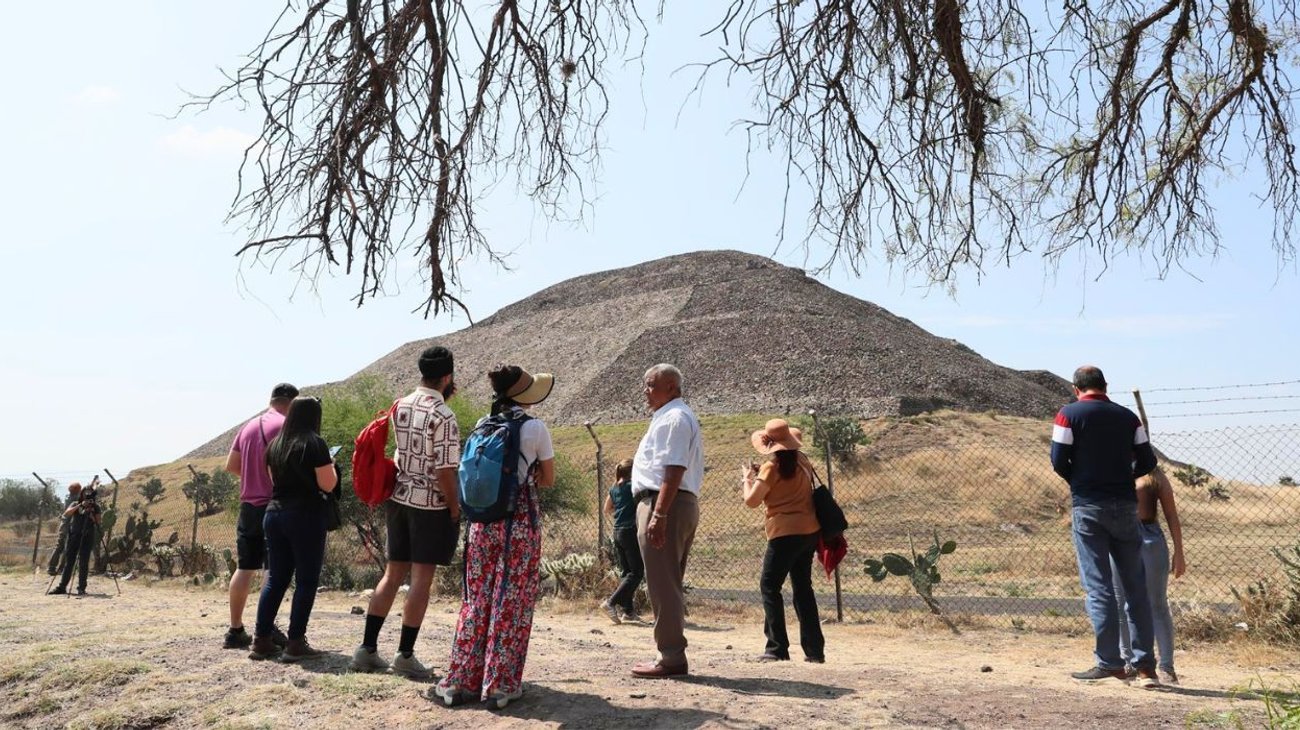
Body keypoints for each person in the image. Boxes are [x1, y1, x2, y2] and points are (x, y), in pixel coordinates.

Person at [435, 364, 555, 710]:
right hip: (517, 524)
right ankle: (499, 684)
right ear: (522, 394)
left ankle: (460, 680)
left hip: (481, 524)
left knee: (476, 599)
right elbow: (547, 479)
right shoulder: (534, 428)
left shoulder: (482, 425)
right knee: (511, 600)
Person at [352, 346, 461, 678]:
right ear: (447, 376)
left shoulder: (400, 404)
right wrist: (454, 506)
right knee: (421, 580)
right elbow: (444, 470)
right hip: (429, 504)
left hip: (398, 498)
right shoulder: (443, 415)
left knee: (392, 573)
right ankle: (405, 654)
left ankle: (367, 648)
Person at [1050, 365, 1160, 688]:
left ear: (1075, 388)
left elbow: (1058, 459)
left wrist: (1080, 481)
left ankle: (1110, 662)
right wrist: (1125, 476)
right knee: (1135, 586)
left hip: (1088, 507)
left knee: (1098, 586)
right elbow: (1149, 462)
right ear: (1105, 386)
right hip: (1126, 506)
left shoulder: (1068, 415)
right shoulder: (1128, 418)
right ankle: (1145, 668)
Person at [249, 395, 338, 661]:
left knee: (276, 578)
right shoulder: (315, 443)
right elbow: (327, 484)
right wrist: (332, 465)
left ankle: (261, 639)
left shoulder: (275, 445)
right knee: (306, 580)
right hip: (306, 516)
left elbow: (272, 479)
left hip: (274, 514)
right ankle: (296, 642)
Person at [629, 364, 704, 679]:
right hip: (671, 503)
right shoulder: (671, 415)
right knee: (666, 581)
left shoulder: (674, 418)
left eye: (651, 385)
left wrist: (658, 513)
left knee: (663, 584)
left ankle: (671, 656)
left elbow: (673, 469)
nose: (645, 390)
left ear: (672, 386)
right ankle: (670, 652)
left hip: (665, 503)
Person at [741, 419, 825, 663]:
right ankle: (814, 651)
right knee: (803, 589)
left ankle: (777, 648)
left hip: (783, 533)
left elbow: (751, 501)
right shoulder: (803, 461)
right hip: (810, 530)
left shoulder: (771, 468)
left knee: (769, 586)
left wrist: (747, 479)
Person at [222, 382, 298, 650]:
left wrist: (253, 478)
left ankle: (235, 629)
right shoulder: (285, 426)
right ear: (291, 402)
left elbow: (231, 465)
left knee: (244, 568)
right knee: (273, 569)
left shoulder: (248, 426)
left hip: (248, 506)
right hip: (273, 505)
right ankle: (265, 628)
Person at [1113, 466, 1186, 684]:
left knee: (1156, 603)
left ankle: (1166, 667)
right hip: (1121, 536)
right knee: (1120, 602)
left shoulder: (1154, 474)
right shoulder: (1112, 464)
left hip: (1150, 538)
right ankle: (1128, 663)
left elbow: (1171, 515)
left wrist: (1179, 553)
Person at [602, 458, 643, 624]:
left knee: (626, 573)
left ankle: (628, 611)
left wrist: (620, 510)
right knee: (637, 572)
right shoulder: (633, 487)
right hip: (630, 531)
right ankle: (610, 602)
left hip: (617, 531)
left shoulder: (614, 488)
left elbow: (607, 509)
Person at [49, 480, 101, 595]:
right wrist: (80, 506)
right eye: (85, 494)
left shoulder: (96, 507)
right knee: (69, 562)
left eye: (89, 494)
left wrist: (91, 512)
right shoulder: (75, 504)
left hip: (87, 537)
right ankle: (62, 587)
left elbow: (98, 521)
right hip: (74, 536)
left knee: (83, 563)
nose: (87, 496)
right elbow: (67, 513)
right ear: (81, 494)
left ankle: (81, 588)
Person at [46, 482, 83, 576]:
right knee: (68, 548)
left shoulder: (68, 498)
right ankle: (62, 569)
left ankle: (52, 567)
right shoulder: (75, 500)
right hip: (70, 526)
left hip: (63, 525)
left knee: (59, 547)